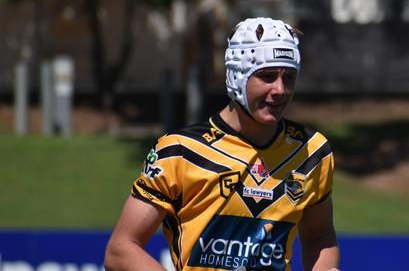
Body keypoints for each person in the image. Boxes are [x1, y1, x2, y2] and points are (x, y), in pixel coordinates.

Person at [104, 17, 340, 271]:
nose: (280, 89)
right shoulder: (179, 152)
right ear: (238, 76)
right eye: (267, 76)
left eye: (289, 78)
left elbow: (319, 236)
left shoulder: (311, 152)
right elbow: (121, 250)